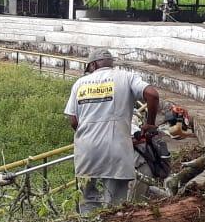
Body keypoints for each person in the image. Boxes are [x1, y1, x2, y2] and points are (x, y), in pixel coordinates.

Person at [64, 49, 160, 213]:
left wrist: (88, 133)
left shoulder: (80, 84)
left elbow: (73, 120)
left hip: (87, 151)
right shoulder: (126, 77)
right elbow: (152, 95)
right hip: (117, 150)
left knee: (87, 200)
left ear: (93, 64)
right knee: (115, 206)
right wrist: (150, 124)